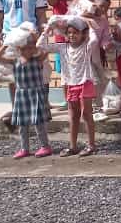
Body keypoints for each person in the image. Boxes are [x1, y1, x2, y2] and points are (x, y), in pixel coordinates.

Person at [0, 0, 48, 121]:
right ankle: (16, 108)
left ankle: (39, 108)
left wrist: (43, 39)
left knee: (38, 71)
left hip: (31, 40)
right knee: (13, 75)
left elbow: (41, 15)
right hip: (10, 39)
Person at [38, 16, 99, 157]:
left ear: (83, 34)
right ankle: (73, 146)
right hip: (70, 84)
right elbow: (40, 46)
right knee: (73, 116)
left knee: (87, 114)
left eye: (75, 32)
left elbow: (94, 40)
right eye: (69, 32)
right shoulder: (62, 47)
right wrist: (47, 30)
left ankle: (91, 145)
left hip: (85, 82)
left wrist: (90, 25)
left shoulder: (86, 47)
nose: (72, 35)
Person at [0, 32, 52, 159]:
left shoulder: (38, 60)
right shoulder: (14, 61)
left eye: (33, 46)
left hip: (35, 94)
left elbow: (46, 48)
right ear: (19, 48)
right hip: (21, 95)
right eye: (27, 47)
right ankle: (24, 148)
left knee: (39, 123)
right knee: (22, 125)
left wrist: (37, 38)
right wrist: (6, 44)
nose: (31, 49)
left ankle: (45, 146)